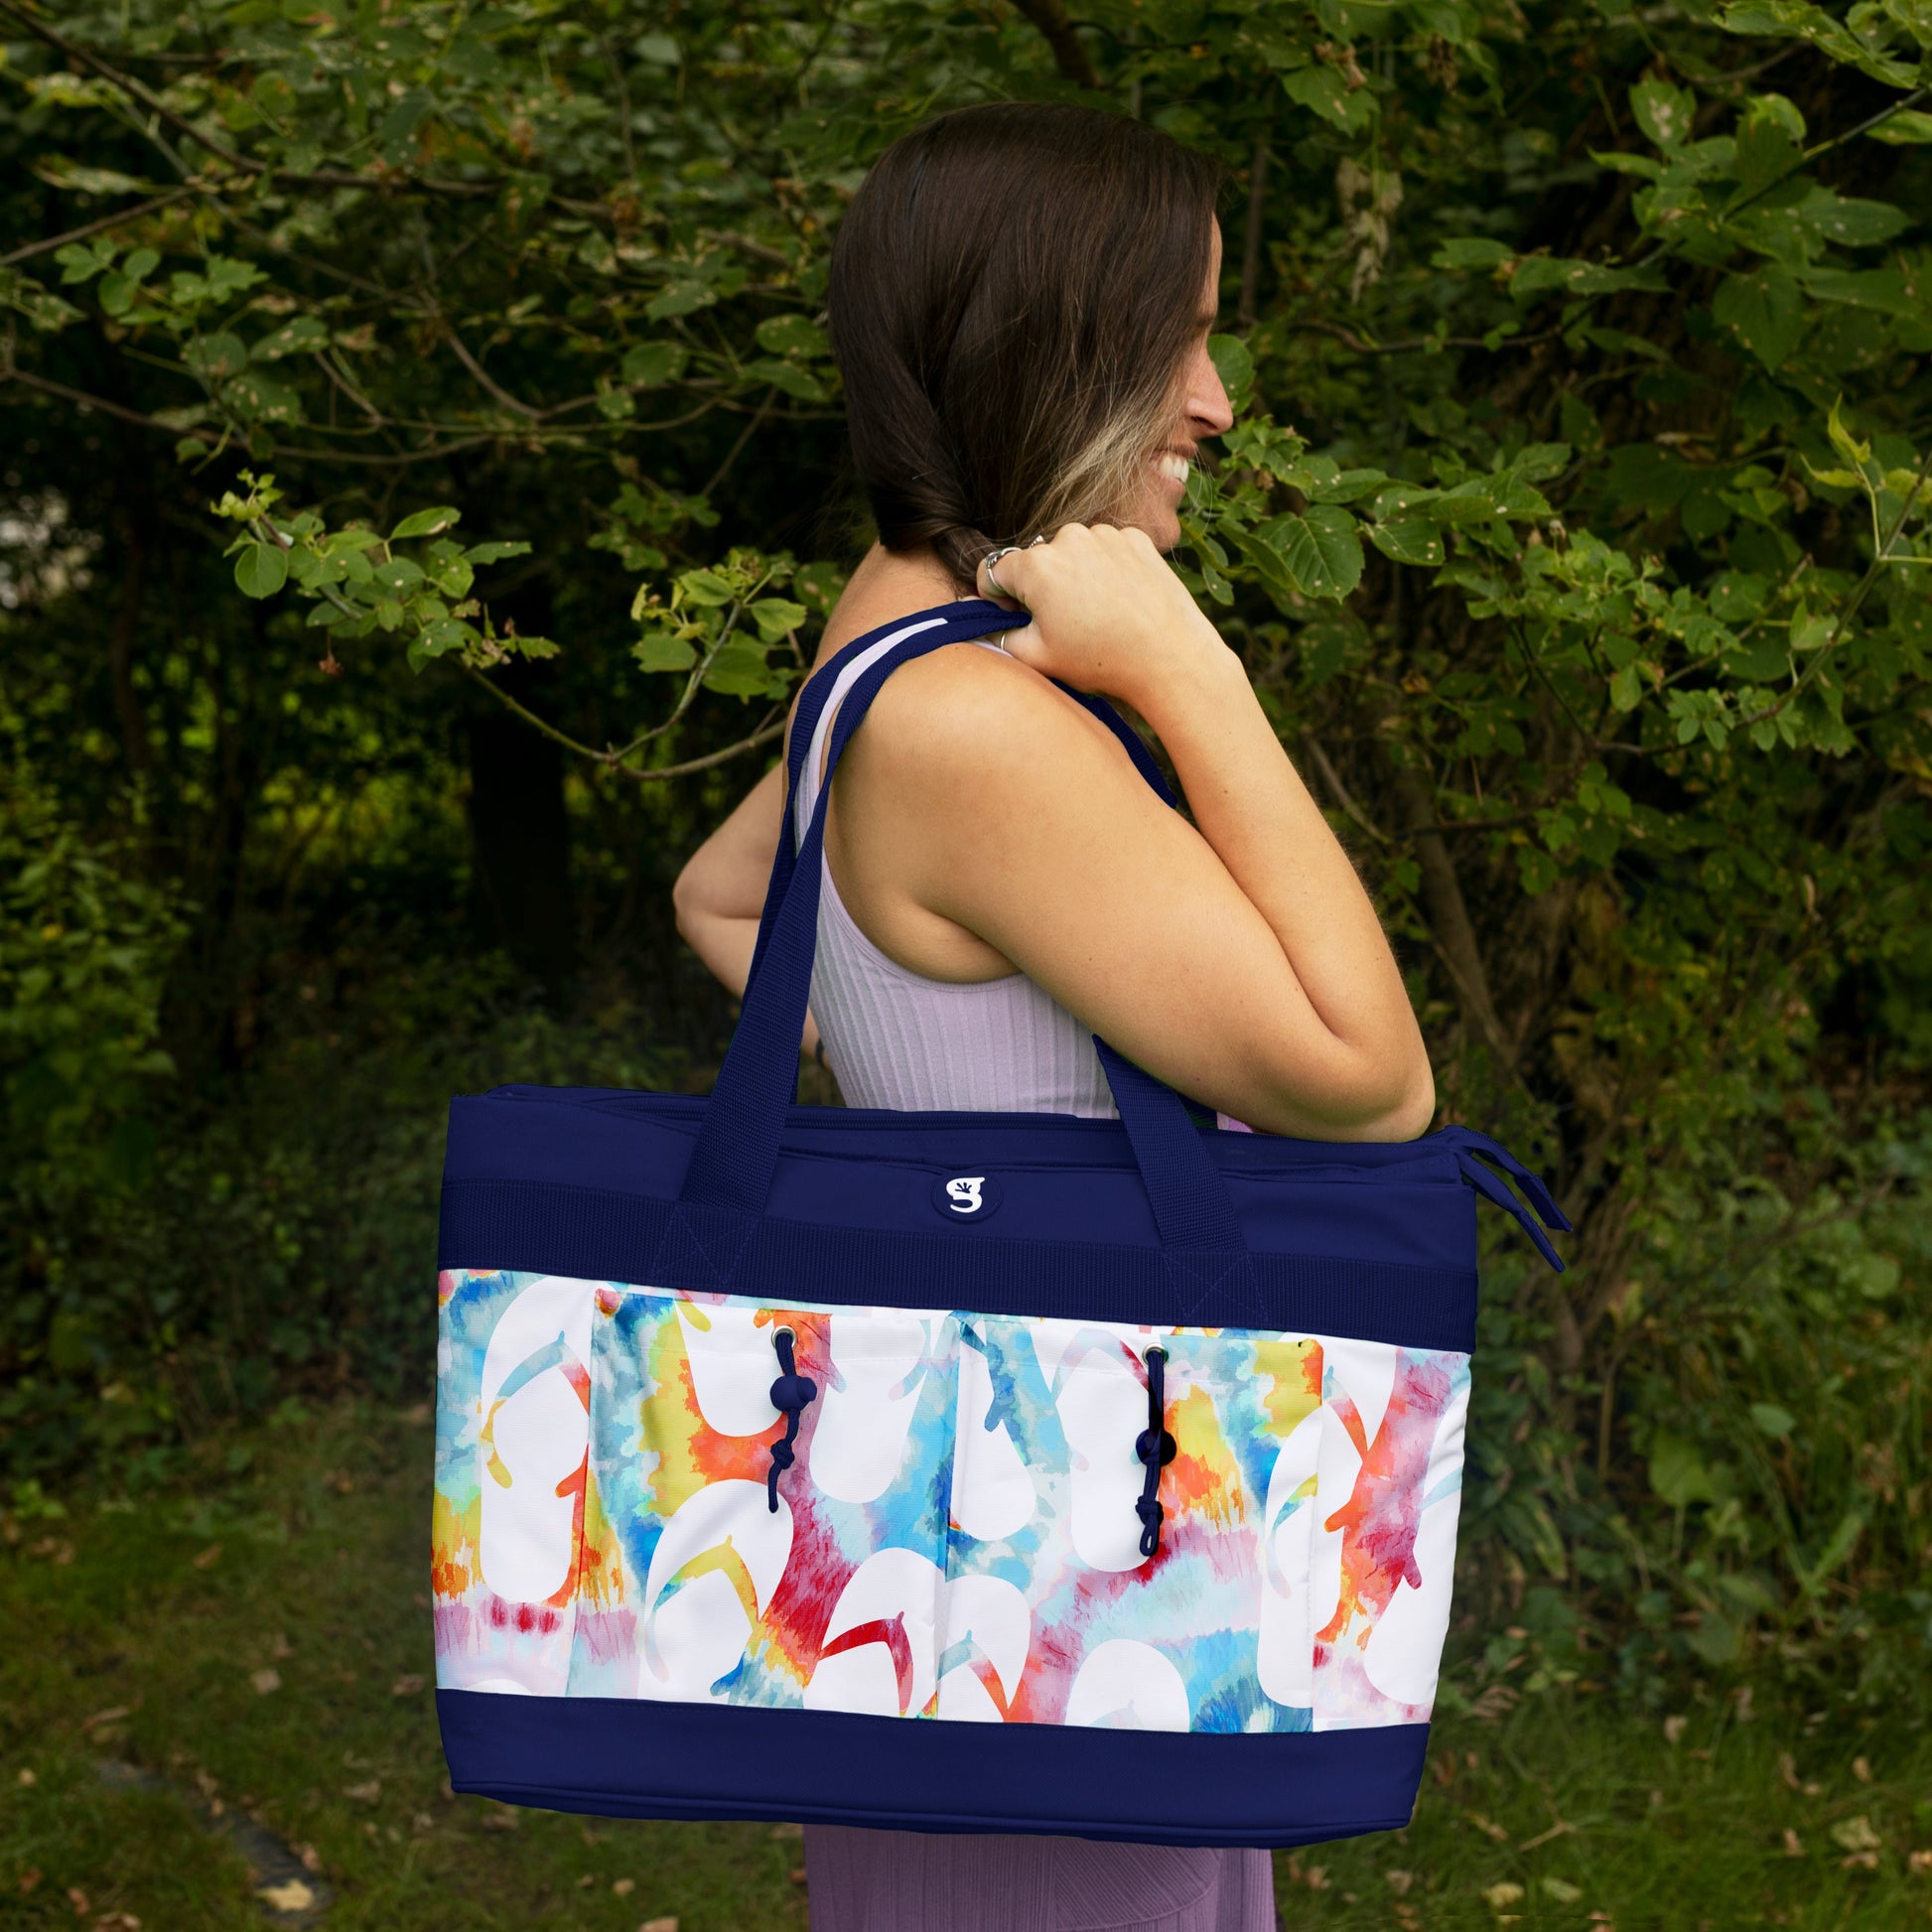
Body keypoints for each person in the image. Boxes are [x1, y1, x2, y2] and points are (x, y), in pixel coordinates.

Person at [673, 100, 1434, 1932]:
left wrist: (933, 1096)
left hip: (977, 1530)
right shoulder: (978, 726)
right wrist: (1190, 669)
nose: (1216, 403)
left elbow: (721, 897)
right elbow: (1369, 1082)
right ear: (1051, 345)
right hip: (1068, 1570)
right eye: (1184, 338)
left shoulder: (884, 640)